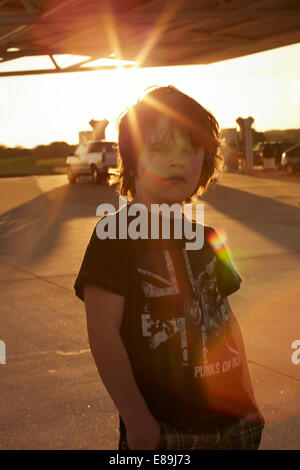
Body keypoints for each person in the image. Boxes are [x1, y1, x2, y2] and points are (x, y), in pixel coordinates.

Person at [74, 85, 265, 450]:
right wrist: (137, 420)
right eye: (160, 148)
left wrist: (248, 398)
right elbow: (103, 334)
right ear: (132, 160)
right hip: (162, 427)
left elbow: (226, 322)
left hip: (230, 421)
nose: (178, 161)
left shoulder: (209, 237)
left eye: (191, 149)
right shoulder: (114, 236)